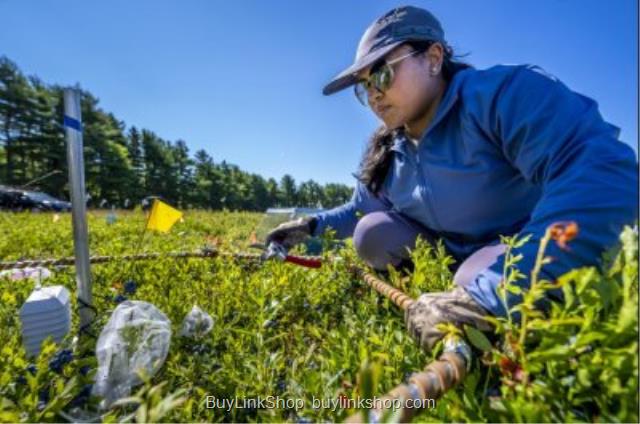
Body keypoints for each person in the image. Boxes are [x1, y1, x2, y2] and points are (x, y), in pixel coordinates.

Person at [266, 6, 638, 353]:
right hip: (445, 250)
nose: (375, 94)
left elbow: (601, 170)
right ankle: (450, 291)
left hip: (509, 246)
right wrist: (308, 226)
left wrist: (487, 296)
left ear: (433, 58)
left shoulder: (500, 97)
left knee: (474, 279)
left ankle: (474, 295)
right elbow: (359, 210)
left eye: (381, 72)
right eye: (365, 86)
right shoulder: (387, 150)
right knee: (371, 233)